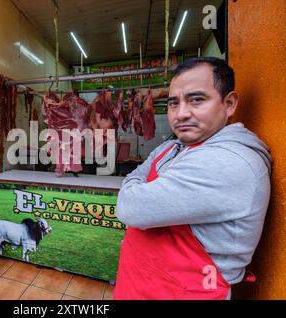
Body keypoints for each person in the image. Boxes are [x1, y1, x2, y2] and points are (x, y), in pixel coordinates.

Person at [114, 57, 271, 300]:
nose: (181, 114)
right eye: (173, 103)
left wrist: (134, 187)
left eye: (196, 100)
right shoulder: (174, 147)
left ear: (229, 103)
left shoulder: (229, 162)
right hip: (140, 286)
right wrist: (136, 184)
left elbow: (128, 206)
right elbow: (136, 178)